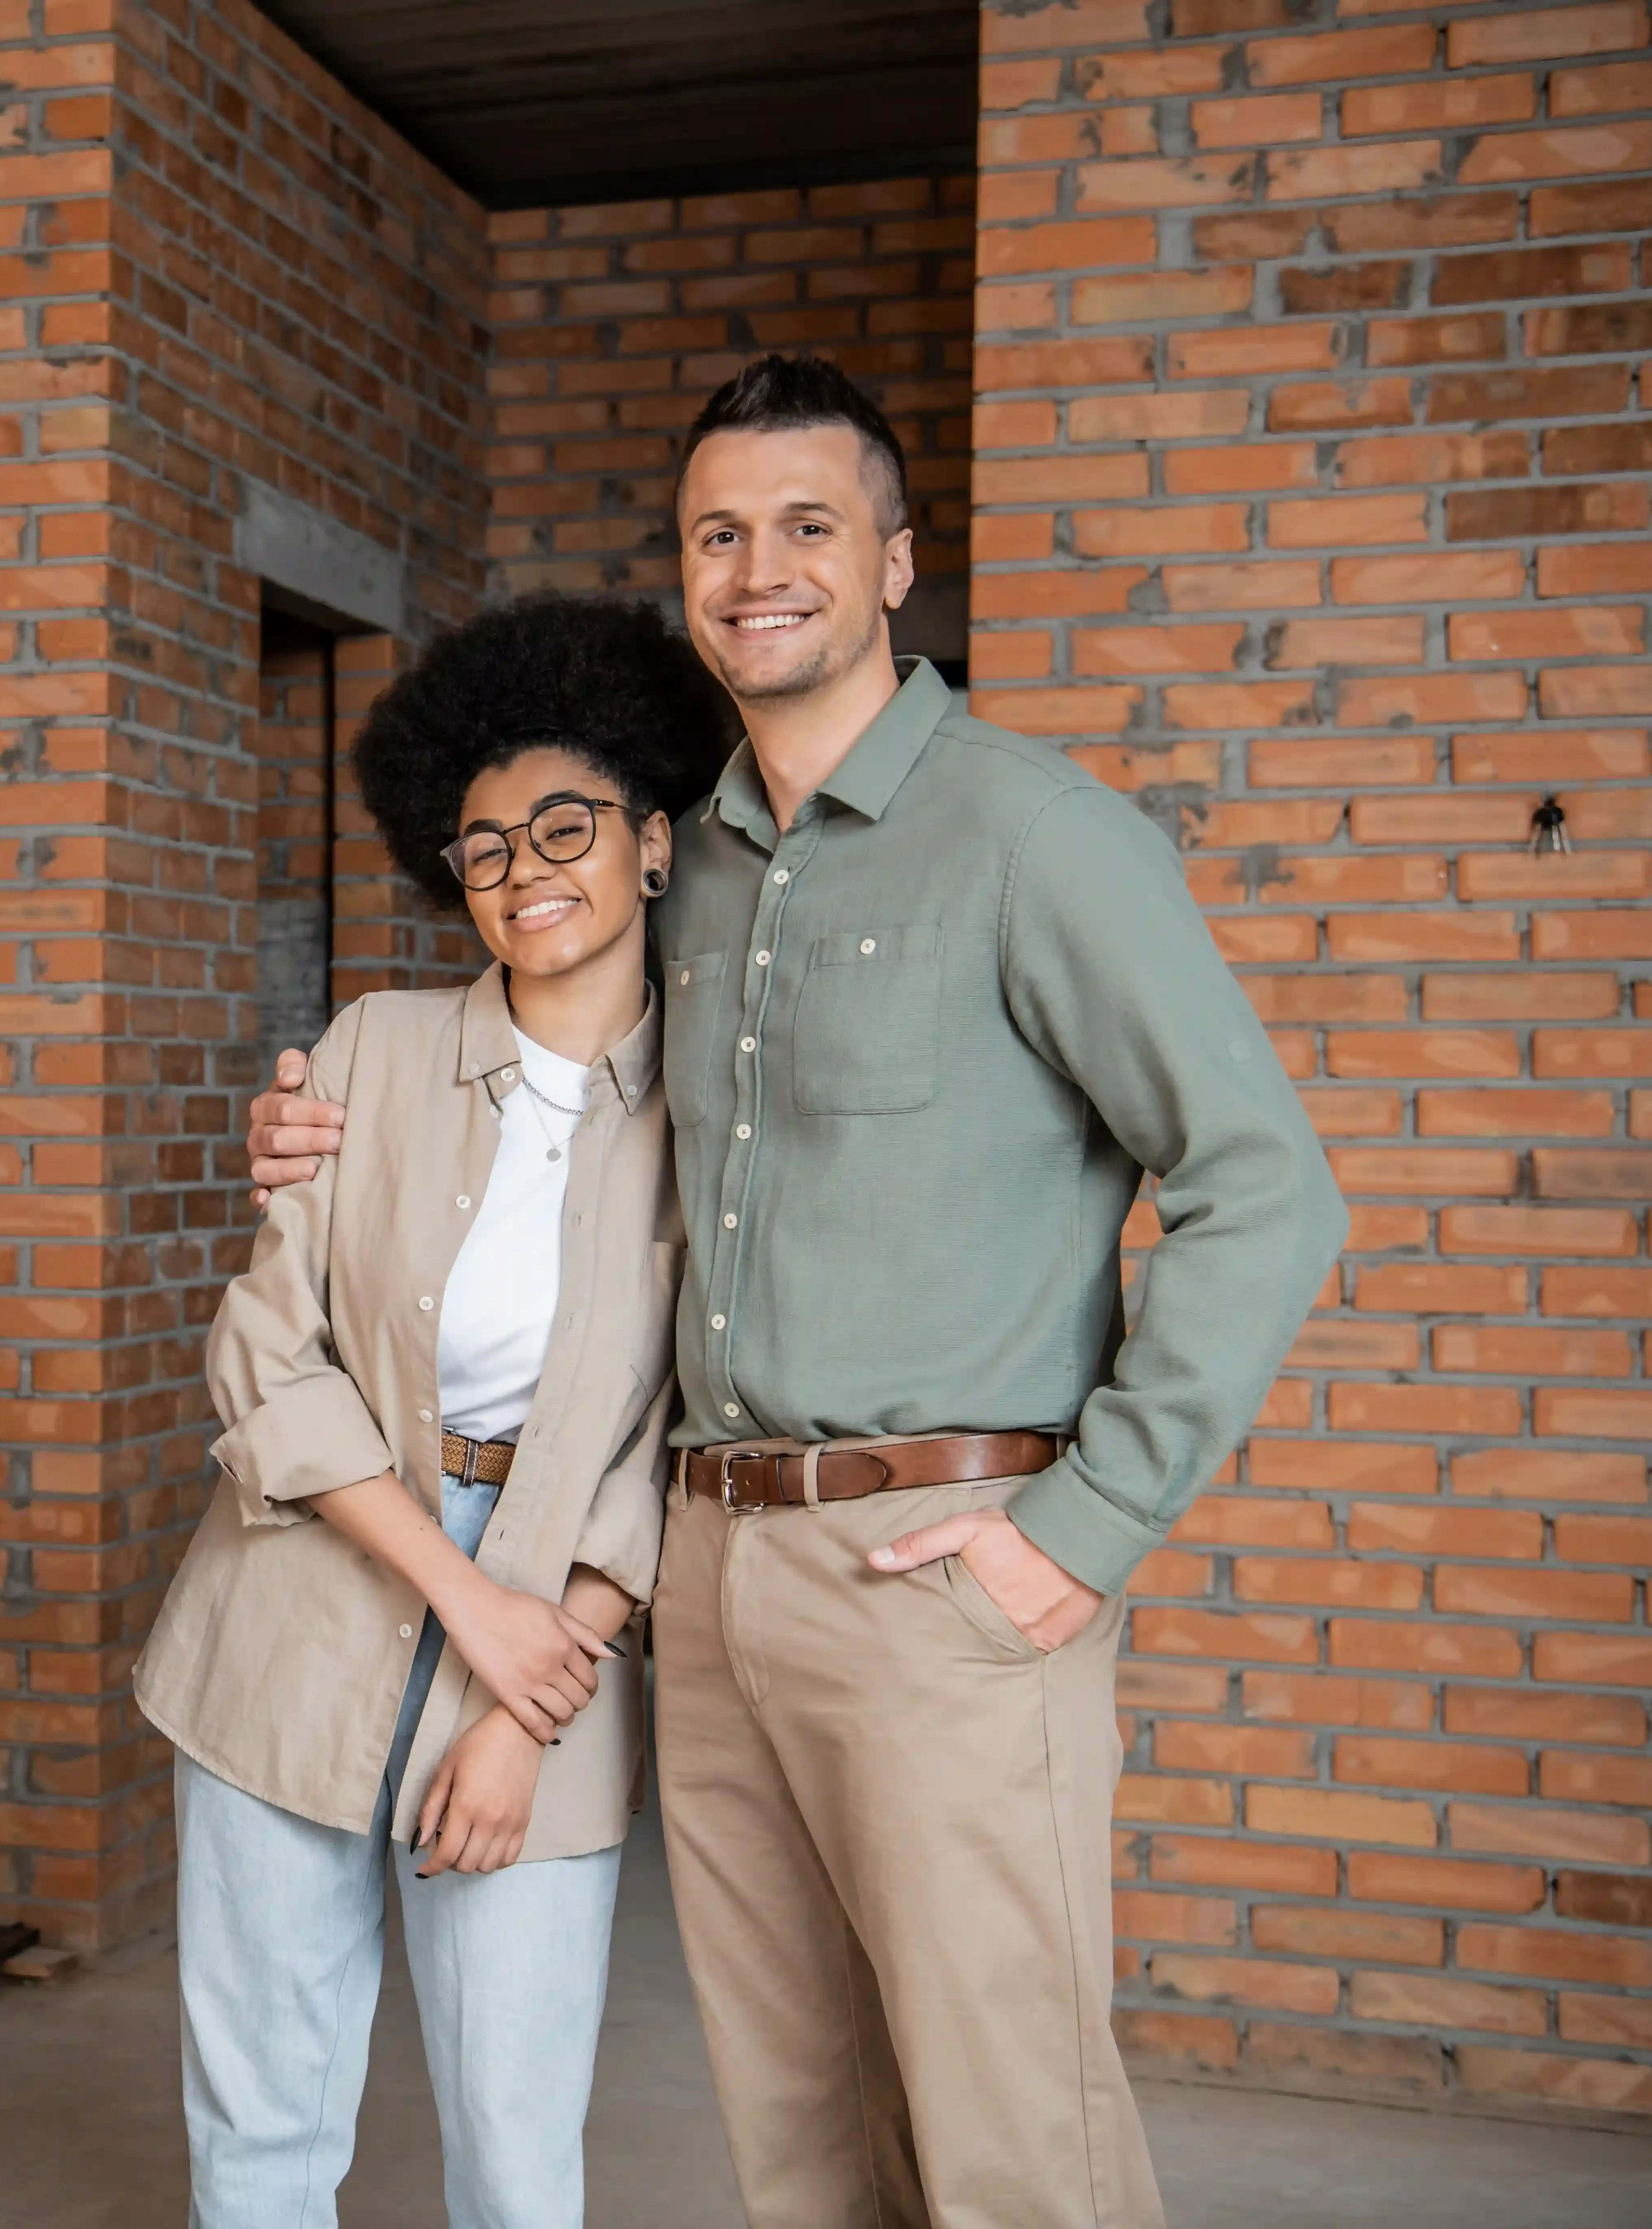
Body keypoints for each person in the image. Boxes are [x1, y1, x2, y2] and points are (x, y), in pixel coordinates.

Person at [246, 355, 1346, 2228]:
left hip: (945, 1564)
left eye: (809, 527)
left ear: (897, 561)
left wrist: (1082, 1525)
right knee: (806, 2133)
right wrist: (325, 1114)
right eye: (719, 534)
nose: (760, 568)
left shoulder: (1033, 837)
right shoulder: (696, 864)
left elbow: (1269, 1189)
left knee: (1014, 2138)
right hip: (717, 1573)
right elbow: (537, 1047)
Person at [141, 595, 728, 2228]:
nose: (528, 867)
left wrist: (523, 1691)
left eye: (567, 825)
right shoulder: (374, 1049)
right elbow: (269, 1350)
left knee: (518, 2146)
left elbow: (676, 1433)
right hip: (306, 1588)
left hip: (562, 1622)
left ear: (653, 841)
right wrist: (464, 1594)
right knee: (261, 2121)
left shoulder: (713, 1114)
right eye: (484, 847)